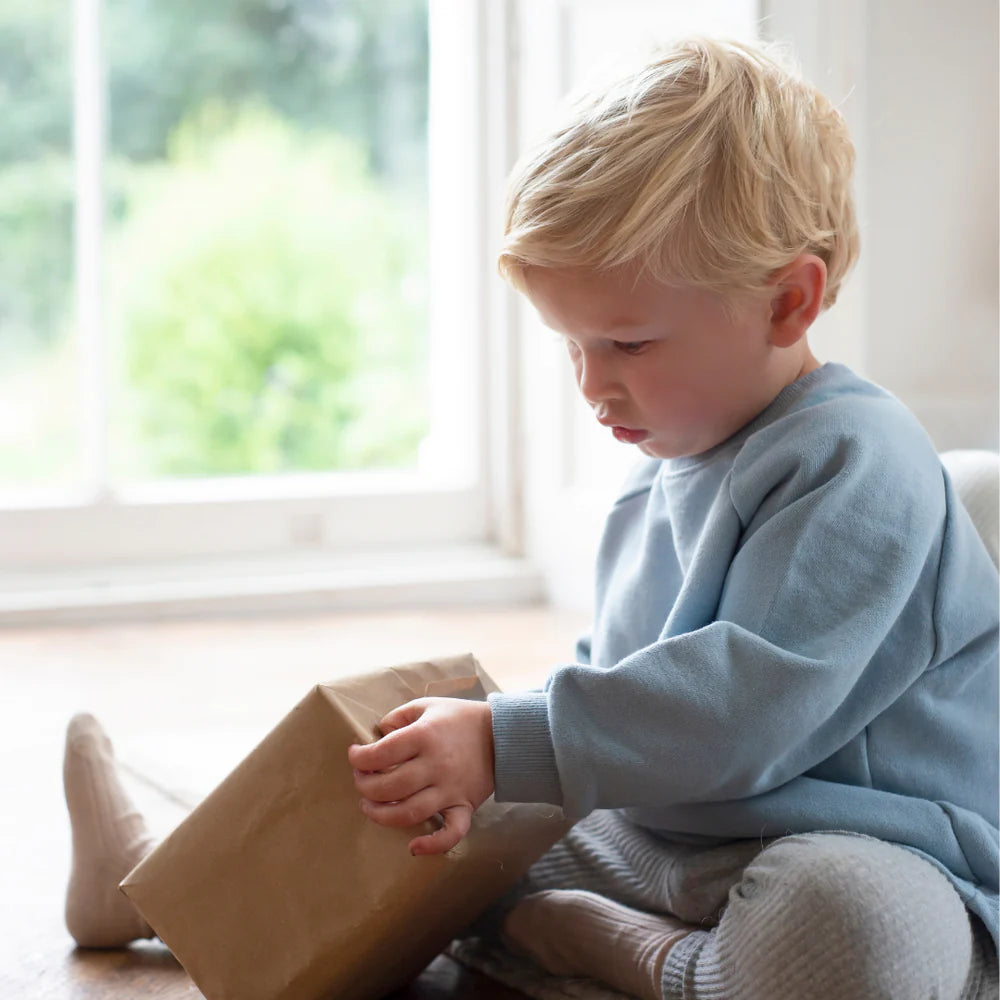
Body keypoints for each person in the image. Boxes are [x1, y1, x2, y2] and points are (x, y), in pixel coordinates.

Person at [64, 36, 997, 1000]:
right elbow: (612, 696)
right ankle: (153, 892)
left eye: (628, 342)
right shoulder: (661, 465)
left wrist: (512, 743)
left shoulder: (856, 461)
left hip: (867, 849)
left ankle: (628, 956)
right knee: (419, 812)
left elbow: (740, 706)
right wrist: (475, 774)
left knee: (855, 931)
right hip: (667, 845)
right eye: (573, 345)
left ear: (788, 301)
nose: (594, 384)